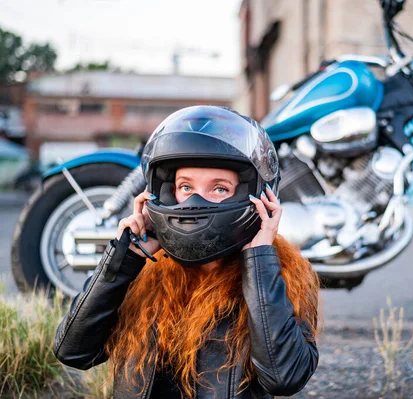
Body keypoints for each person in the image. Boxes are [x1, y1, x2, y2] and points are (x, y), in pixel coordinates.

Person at [53, 106, 321, 399]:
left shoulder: (281, 272)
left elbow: (285, 378)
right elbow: (74, 352)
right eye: (184, 187)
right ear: (163, 191)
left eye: (219, 189)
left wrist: (259, 263)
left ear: (258, 196)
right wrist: (123, 260)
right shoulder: (143, 272)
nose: (194, 201)